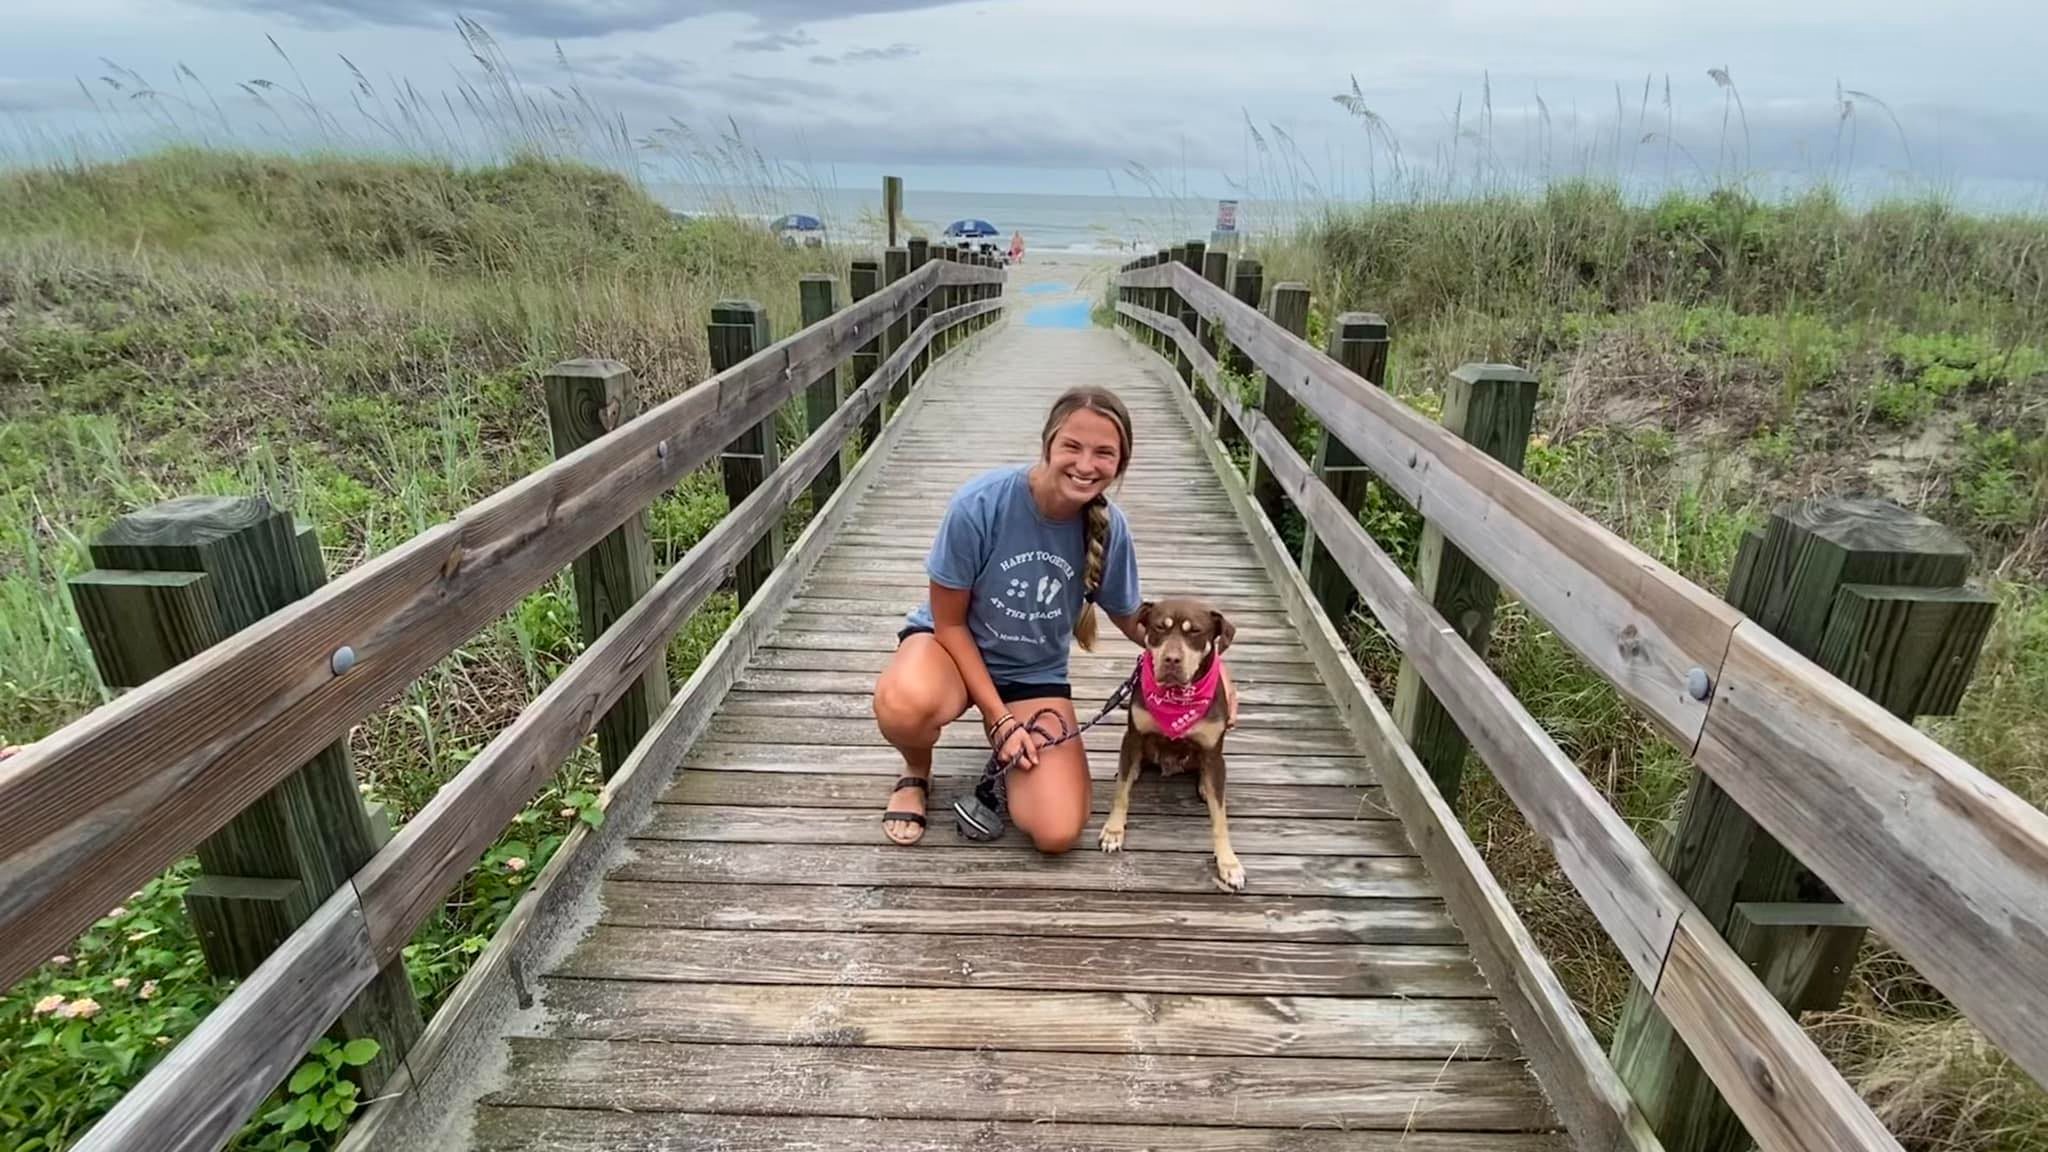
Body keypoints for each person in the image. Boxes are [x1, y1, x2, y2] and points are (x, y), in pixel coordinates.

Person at [872, 387, 1144, 852]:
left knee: (1056, 832)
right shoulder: (980, 505)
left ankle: (1010, 757)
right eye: (1072, 447)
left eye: (1104, 453)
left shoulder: (1109, 528)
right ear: (1048, 444)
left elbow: (1132, 617)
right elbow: (949, 623)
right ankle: (916, 770)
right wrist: (999, 720)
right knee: (903, 704)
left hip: (1031, 676)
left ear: (1119, 464)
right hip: (952, 652)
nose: (1085, 464)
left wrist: (1207, 667)